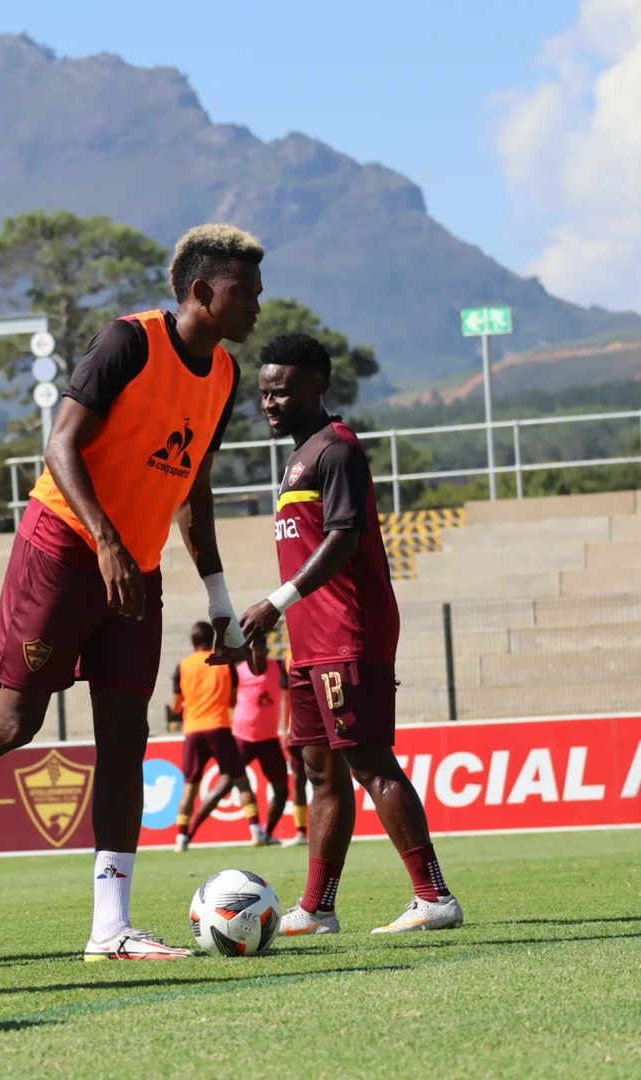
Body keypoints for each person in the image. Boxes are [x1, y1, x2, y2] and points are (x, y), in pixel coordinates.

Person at [0, 224, 265, 961]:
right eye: (245, 292)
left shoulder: (226, 375)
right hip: (62, 546)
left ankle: (110, 927)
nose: (257, 306)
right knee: (13, 723)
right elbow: (60, 444)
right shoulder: (128, 342)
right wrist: (105, 541)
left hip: (136, 567)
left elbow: (194, 488)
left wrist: (218, 597)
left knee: (126, 734)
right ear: (202, 291)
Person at [239, 333, 463, 935]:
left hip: (347, 631)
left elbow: (343, 540)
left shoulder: (336, 450)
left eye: (282, 391)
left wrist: (275, 603)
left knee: (370, 762)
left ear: (318, 386)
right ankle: (318, 908)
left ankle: (434, 897)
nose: (270, 403)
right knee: (320, 772)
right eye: (264, 392)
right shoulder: (299, 457)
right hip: (310, 641)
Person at [181, 632, 287, 847]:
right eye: (253, 650)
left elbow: (288, 695)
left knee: (282, 790)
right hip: (242, 738)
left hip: (269, 739)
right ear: (247, 652)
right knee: (222, 788)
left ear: (266, 650)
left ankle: (266, 833)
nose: (257, 654)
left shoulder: (278, 667)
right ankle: (189, 834)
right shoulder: (238, 671)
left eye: (260, 649)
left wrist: (287, 727)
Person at [169, 621, 265, 850]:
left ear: (193, 641)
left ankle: (181, 839)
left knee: (190, 787)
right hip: (219, 727)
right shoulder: (225, 665)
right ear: (212, 639)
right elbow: (232, 700)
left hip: (193, 730)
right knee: (241, 780)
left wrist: (190, 705)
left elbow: (175, 707)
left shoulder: (182, 666)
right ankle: (256, 832)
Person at [281, 648, 309, 846]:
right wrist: (284, 728)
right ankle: (301, 832)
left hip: (322, 726)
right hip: (297, 728)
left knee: (330, 779)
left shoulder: (319, 647)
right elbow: (286, 696)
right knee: (299, 779)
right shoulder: (288, 656)